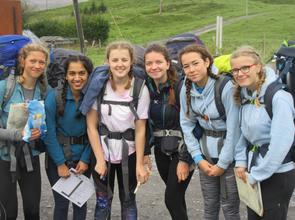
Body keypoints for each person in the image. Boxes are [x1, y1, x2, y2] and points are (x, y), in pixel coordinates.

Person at [86, 41, 150, 220]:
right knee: (102, 201)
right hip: (102, 151)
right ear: (108, 61)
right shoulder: (98, 87)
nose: (119, 64)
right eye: (115, 60)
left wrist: (139, 164)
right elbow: (91, 125)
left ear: (131, 62)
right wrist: (99, 159)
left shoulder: (140, 88)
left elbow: (140, 129)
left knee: (128, 200)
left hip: (128, 152)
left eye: (124, 59)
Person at [232, 46, 295, 220]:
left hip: (278, 173)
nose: (240, 73)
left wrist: (256, 175)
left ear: (258, 67)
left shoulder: (278, 97)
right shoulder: (247, 96)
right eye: (235, 70)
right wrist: (241, 162)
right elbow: (243, 134)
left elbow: (280, 145)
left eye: (245, 67)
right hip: (254, 170)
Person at [179, 44, 241, 219]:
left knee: (230, 207)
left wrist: (222, 164)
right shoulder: (186, 89)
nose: (191, 70)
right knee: (209, 205)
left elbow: (234, 129)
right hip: (205, 156)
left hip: (229, 157)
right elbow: (187, 124)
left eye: (195, 63)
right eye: (186, 66)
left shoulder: (225, 87)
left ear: (207, 62)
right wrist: (198, 158)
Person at [143, 44, 194, 220]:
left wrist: (185, 159)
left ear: (167, 64)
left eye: (158, 62)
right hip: (161, 151)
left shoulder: (181, 87)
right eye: (149, 63)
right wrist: (144, 152)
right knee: (177, 198)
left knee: (171, 199)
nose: (154, 66)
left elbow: (192, 125)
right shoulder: (147, 89)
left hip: (182, 150)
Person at [0, 43, 49, 220]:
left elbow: (47, 123)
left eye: (41, 62)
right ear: (22, 61)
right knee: (8, 212)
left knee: (33, 210)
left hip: (31, 156)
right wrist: (17, 134)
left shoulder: (44, 90)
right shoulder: (4, 88)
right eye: (33, 61)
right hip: (4, 158)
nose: (37, 66)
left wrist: (40, 133)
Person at [44, 55, 93, 220]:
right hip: (58, 158)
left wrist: (86, 159)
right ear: (65, 75)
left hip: (83, 158)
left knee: (80, 201)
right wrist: (60, 163)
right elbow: (48, 133)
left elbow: (95, 131)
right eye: (72, 73)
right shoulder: (54, 97)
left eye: (82, 73)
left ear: (88, 74)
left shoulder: (93, 98)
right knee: (62, 203)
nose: (77, 78)